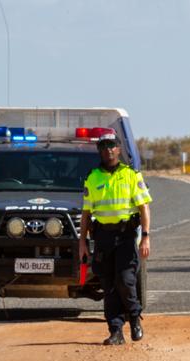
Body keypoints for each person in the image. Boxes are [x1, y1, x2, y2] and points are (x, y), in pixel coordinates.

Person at [79, 132, 152, 345]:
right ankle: (116, 331)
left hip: (126, 236)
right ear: (99, 150)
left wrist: (145, 237)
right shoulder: (92, 177)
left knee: (126, 280)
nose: (108, 150)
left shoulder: (131, 175)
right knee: (108, 285)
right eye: (103, 146)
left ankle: (134, 318)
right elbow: (86, 214)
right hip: (103, 237)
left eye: (112, 146)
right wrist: (82, 242)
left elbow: (144, 207)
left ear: (119, 149)